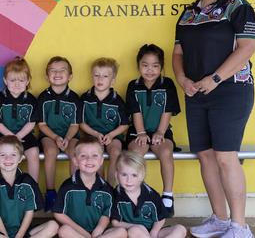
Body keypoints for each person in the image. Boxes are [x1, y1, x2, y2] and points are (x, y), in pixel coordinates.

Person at [172, 0, 255, 236]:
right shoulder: (187, 14)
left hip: (231, 91)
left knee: (225, 156)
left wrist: (215, 79)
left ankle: (239, 226)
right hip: (196, 93)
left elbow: (247, 48)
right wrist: (183, 80)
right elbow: (178, 54)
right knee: (206, 156)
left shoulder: (237, 5)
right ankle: (220, 219)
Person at [125, 44, 180, 217]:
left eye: (155, 66)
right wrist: (141, 133)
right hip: (137, 131)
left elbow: (167, 111)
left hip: (161, 131)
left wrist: (160, 133)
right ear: (138, 65)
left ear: (161, 67)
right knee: (136, 154)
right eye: (145, 65)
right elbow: (136, 112)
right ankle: (138, 196)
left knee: (165, 152)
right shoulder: (133, 86)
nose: (150, 70)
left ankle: (168, 196)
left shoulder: (167, 84)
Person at [0, 135, 58, 238]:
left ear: (20, 158)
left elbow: (29, 212)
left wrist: (19, 236)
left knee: (53, 226)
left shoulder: (27, 181)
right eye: (3, 155)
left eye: (13, 154)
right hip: (1, 233)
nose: (8, 158)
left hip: (22, 232)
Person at [53, 135, 125, 238]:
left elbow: (106, 214)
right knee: (64, 230)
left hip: (98, 233)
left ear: (101, 161)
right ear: (75, 161)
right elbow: (58, 213)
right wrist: (84, 233)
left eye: (95, 155)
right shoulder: (67, 187)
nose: (89, 159)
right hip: (76, 232)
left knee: (121, 231)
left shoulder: (106, 188)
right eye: (83, 156)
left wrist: (98, 229)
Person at [37, 56, 82, 211]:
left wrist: (67, 138)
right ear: (46, 75)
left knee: (76, 153)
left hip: (70, 135)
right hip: (49, 135)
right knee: (50, 152)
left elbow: (75, 125)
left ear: (70, 76)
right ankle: (50, 192)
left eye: (62, 70)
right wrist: (55, 137)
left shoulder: (75, 98)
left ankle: (75, 190)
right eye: (53, 71)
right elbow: (41, 125)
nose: (57, 73)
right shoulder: (43, 98)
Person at [110, 151, 186, 238]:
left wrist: (154, 232)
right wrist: (135, 226)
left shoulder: (150, 194)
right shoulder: (116, 195)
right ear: (116, 174)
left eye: (134, 175)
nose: (129, 180)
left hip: (151, 232)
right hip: (130, 232)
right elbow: (115, 222)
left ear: (142, 175)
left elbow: (160, 218)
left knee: (180, 229)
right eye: (124, 175)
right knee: (135, 231)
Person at [80, 58, 129, 186]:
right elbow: (81, 123)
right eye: (96, 75)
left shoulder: (117, 100)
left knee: (115, 152)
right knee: (95, 152)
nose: (100, 79)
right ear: (92, 77)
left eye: (105, 76)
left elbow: (124, 124)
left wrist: (111, 135)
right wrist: (96, 134)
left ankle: (111, 187)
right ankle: (99, 186)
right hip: (92, 135)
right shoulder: (85, 98)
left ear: (112, 81)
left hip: (113, 136)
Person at [0, 57, 40, 182]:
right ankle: (1, 184)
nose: (17, 84)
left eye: (21, 80)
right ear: (5, 81)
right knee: (1, 153)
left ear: (27, 81)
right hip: (4, 134)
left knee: (34, 152)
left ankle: (33, 185)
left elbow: (31, 122)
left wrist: (18, 136)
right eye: (12, 80)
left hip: (24, 135)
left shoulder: (30, 100)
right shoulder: (0, 98)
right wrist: (11, 136)